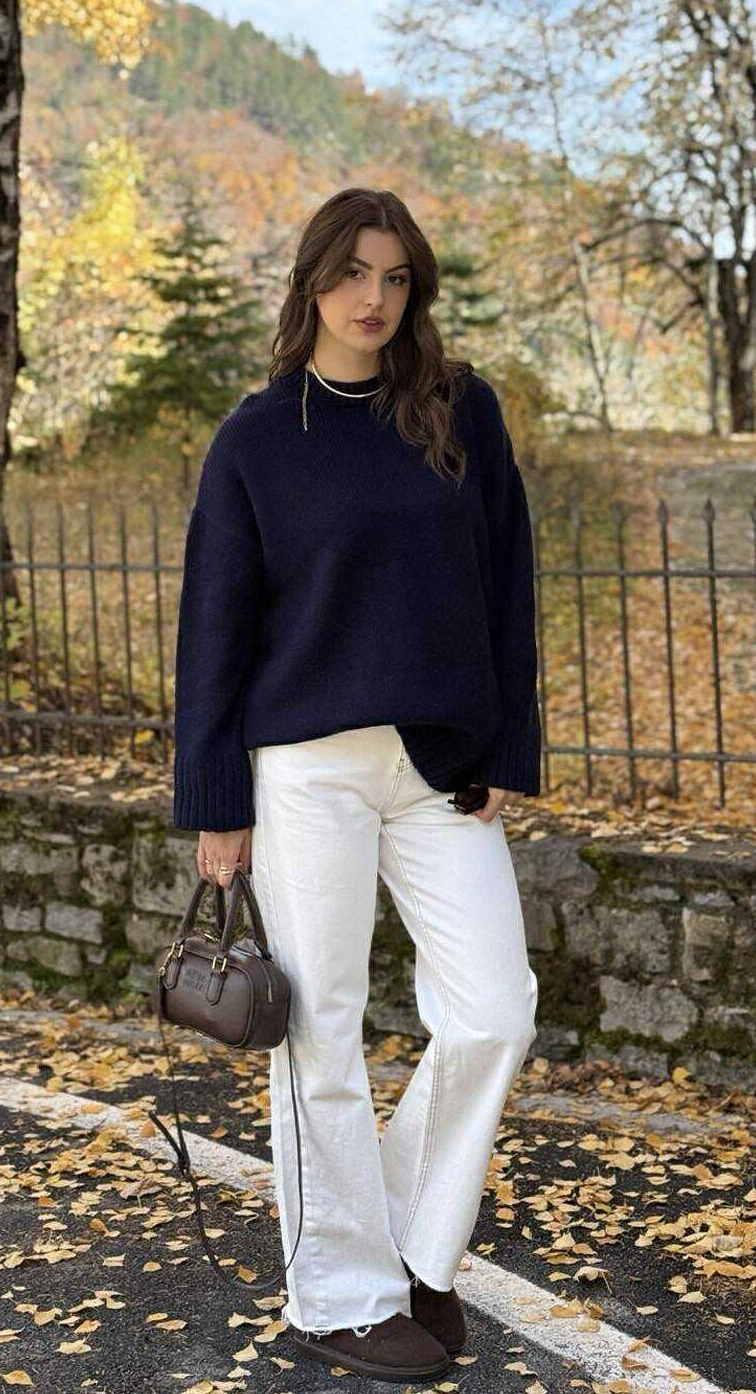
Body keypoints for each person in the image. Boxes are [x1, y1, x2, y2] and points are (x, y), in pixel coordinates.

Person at [171, 185, 542, 1383]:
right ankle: (339, 1293)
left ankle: (412, 1245)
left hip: (436, 763)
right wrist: (215, 802)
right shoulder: (257, 438)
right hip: (306, 772)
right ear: (312, 281)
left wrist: (506, 746)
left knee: (494, 1009)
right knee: (321, 1030)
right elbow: (213, 629)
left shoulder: (460, 409)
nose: (373, 298)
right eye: (351, 274)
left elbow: (509, 580)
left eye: (394, 277)